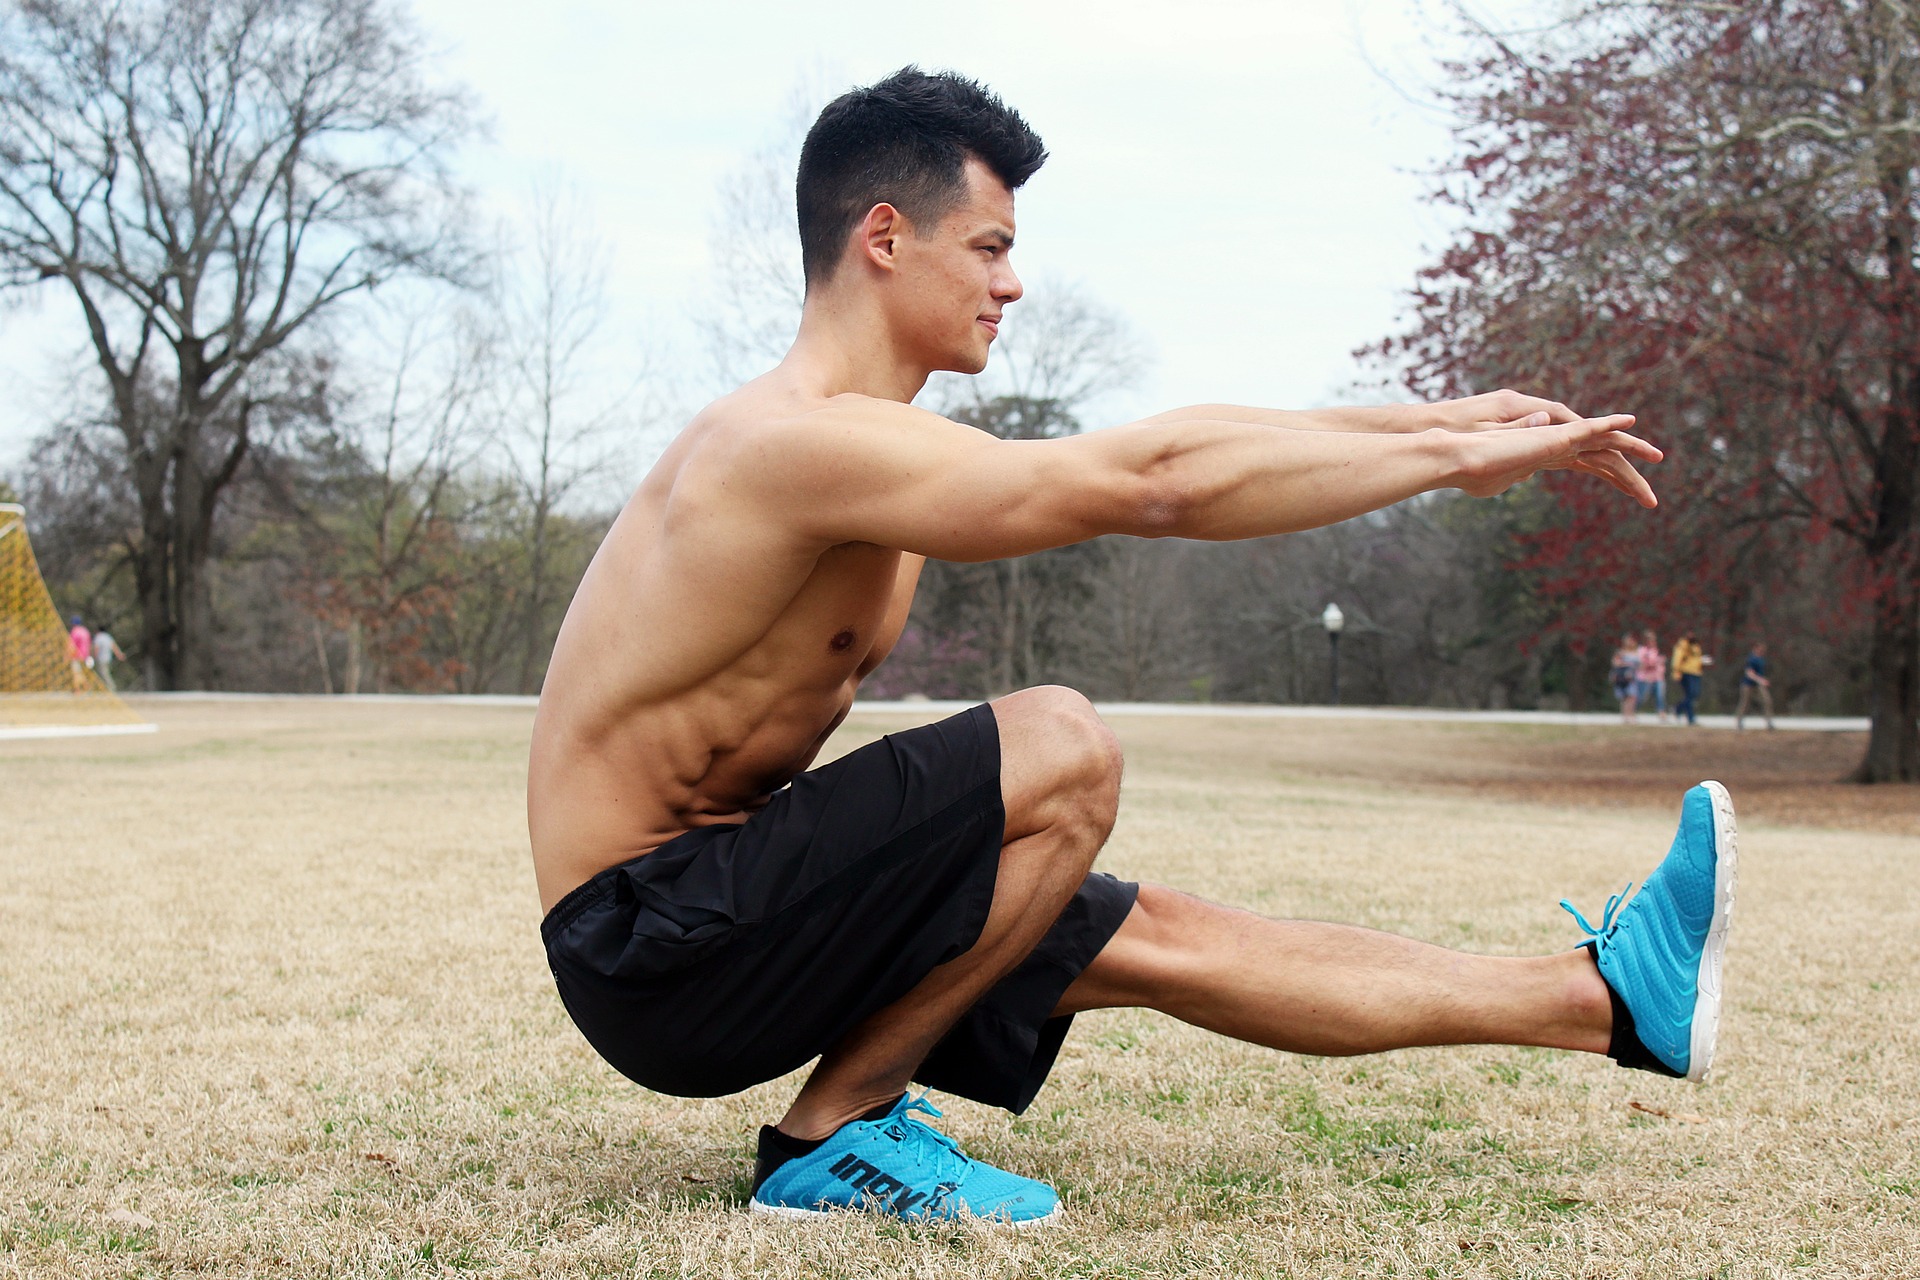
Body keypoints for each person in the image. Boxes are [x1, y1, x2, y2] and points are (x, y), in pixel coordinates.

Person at [529, 68, 1738, 1226]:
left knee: (1147, 930)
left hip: (733, 911)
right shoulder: (789, 446)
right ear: (885, 237)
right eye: (991, 247)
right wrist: (1450, 458)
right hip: (650, 938)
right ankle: (830, 1137)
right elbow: (1151, 479)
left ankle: (1609, 999)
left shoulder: (874, 446)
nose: (1014, 285)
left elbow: (1174, 440)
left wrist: (1427, 423)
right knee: (1060, 745)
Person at [1670, 630, 1709, 726]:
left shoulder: (1695, 646)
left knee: (1694, 694)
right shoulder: (1682, 645)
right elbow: (1677, 659)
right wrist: (1676, 672)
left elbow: (1695, 659)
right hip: (1686, 672)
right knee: (1690, 695)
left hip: (1696, 673)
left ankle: (1678, 708)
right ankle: (1690, 718)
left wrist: (1703, 661)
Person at [1736, 642, 1775, 730]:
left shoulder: (1761, 659)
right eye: (1760, 649)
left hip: (1758, 685)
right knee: (1745, 703)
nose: (1762, 651)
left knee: (1767, 701)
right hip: (1748, 684)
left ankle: (1769, 722)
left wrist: (1763, 680)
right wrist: (1761, 680)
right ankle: (1739, 722)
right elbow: (1749, 673)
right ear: (1755, 648)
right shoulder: (1751, 659)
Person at [1634, 629, 1668, 723]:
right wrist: (1652, 663)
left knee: (1659, 696)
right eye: (1650, 639)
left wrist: (1658, 663)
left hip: (1657, 677)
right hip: (1644, 678)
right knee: (1641, 697)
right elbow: (1641, 665)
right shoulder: (1641, 650)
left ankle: (1662, 714)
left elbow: (1660, 662)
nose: (1652, 641)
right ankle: (1633, 712)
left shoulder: (1656, 650)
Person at [1610, 632, 1640, 722]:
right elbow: (1615, 663)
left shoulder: (1636, 653)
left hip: (1632, 678)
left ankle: (1631, 714)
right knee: (1625, 697)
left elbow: (1640, 665)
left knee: (1633, 697)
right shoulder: (1621, 652)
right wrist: (1626, 664)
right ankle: (1625, 715)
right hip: (1623, 677)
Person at [91, 626, 127, 692]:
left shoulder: (98, 638)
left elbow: (96, 648)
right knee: (105, 673)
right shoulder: (108, 637)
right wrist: (120, 655)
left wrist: (94, 657)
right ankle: (103, 688)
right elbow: (114, 647)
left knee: (104, 674)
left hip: (101, 659)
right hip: (108, 659)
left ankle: (111, 687)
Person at [65, 614, 92, 694]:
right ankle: (86, 687)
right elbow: (89, 643)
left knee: (75, 672)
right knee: (80, 672)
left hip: (76, 655)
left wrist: (67, 655)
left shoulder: (75, 631)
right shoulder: (85, 631)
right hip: (85, 655)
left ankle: (78, 690)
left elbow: (71, 645)